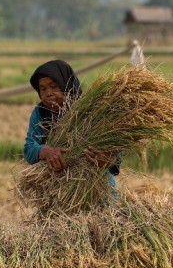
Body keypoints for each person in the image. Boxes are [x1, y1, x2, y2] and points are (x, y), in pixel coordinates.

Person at [23, 59, 120, 189]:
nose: (48, 93)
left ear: (66, 84)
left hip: (98, 189)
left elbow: (117, 150)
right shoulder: (40, 112)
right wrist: (45, 151)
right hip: (56, 191)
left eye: (54, 86)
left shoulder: (92, 109)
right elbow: (29, 148)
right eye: (43, 89)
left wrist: (109, 160)